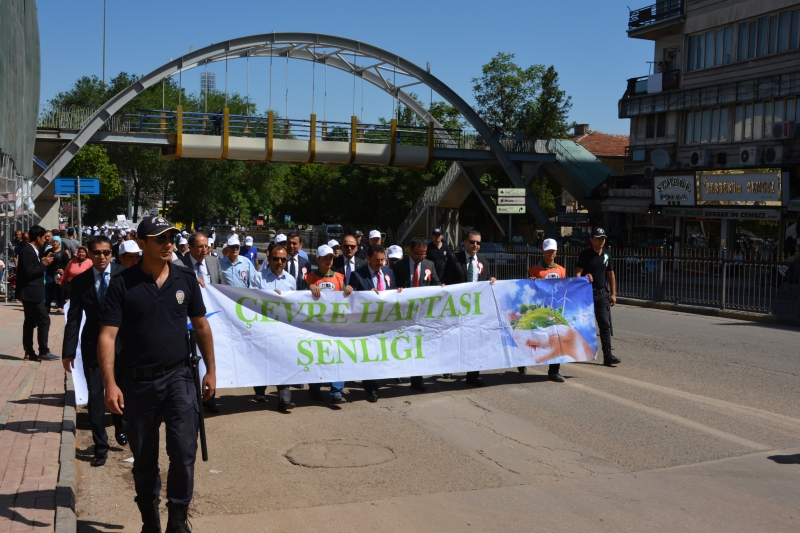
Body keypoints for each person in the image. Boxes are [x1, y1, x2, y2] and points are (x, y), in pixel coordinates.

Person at [97, 215, 216, 533]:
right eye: (161, 238)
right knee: (144, 458)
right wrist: (110, 384)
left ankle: (177, 521)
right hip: (136, 383)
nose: (169, 243)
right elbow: (107, 336)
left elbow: (202, 326)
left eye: (172, 238)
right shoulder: (123, 283)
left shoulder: (185, 279)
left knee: (183, 450)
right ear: (142, 242)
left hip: (179, 378)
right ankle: (150, 521)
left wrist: (211, 371)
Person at [62, 236, 127, 467]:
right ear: (89, 254)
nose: (102, 257)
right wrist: (68, 351)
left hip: (123, 346)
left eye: (106, 252)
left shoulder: (125, 275)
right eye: (97, 252)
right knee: (95, 396)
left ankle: (121, 426)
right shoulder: (80, 282)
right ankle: (101, 446)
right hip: (93, 345)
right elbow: (74, 318)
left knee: (123, 390)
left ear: (112, 254)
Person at [348, 244, 401, 402]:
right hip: (367, 324)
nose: (380, 263)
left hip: (386, 322)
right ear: (368, 258)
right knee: (369, 355)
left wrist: (398, 291)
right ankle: (370, 388)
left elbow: (392, 289)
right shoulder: (357, 275)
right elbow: (352, 300)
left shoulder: (388, 272)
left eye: (383, 260)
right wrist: (365, 295)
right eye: (377, 260)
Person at [442, 230, 496, 386]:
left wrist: (492, 280)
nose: (475, 245)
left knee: (475, 343)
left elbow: (487, 281)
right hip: (458, 308)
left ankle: (472, 376)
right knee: (455, 339)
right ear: (465, 242)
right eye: (472, 242)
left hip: (476, 310)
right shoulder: (454, 259)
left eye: (478, 243)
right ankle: (449, 367)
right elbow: (446, 281)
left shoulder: (484, 262)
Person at [303, 244, 353, 404]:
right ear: (317, 259)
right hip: (316, 326)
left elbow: (346, 297)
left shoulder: (339, 277)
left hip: (336, 325)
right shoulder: (309, 278)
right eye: (325, 258)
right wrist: (308, 287)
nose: (328, 260)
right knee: (317, 357)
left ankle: (337, 391)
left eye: (331, 257)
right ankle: (315, 389)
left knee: (338, 356)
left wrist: (349, 290)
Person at [392, 237, 443, 392]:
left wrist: (441, 287)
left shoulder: (429, 264)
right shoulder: (399, 266)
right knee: (402, 344)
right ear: (410, 251)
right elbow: (392, 286)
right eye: (417, 254)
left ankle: (417, 380)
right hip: (403, 312)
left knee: (419, 346)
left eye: (423, 255)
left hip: (421, 314)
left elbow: (435, 283)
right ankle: (398, 372)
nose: (420, 258)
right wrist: (397, 290)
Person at [181, 232, 223, 414]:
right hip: (188, 321)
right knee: (190, 359)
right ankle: (189, 398)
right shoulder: (178, 265)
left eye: (206, 246)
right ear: (190, 247)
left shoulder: (214, 262)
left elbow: (221, 286)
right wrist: (191, 279)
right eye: (199, 246)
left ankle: (209, 397)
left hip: (211, 319)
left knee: (208, 357)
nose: (204, 249)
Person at [253, 244, 298, 408]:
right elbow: (251, 301)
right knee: (263, 360)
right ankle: (259, 389)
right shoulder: (258, 278)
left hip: (283, 328)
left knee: (283, 360)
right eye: (276, 259)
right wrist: (270, 297)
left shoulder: (291, 280)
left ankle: (284, 398)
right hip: (263, 327)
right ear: (269, 259)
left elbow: (296, 304)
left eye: (283, 259)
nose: (279, 262)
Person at [575, 227, 620, 367]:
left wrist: (613, 294)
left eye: (603, 238)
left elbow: (611, 274)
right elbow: (577, 274)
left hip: (602, 295)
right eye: (598, 238)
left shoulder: (607, 255)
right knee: (582, 325)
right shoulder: (585, 255)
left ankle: (608, 356)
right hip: (587, 296)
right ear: (592, 240)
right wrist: (584, 277)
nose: (601, 241)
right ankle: (575, 352)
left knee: (604, 325)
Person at [526, 238, 568, 382]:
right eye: (548, 250)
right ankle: (522, 362)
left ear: (556, 251)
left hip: (555, 312)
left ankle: (554, 371)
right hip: (539, 311)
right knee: (533, 338)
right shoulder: (534, 270)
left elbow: (565, 289)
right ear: (543, 250)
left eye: (553, 250)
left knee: (556, 340)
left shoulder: (562, 270)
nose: (551, 253)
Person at [16, 225, 59, 362]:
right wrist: (43, 264)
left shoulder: (34, 250)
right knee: (44, 320)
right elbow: (29, 272)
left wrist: (42, 262)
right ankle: (43, 351)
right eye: (44, 238)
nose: (46, 240)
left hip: (32, 292)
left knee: (30, 323)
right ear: (38, 238)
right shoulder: (28, 251)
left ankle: (29, 352)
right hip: (30, 293)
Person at [45, 237, 70, 314]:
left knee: (60, 289)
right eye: (53, 242)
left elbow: (67, 263)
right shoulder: (49, 251)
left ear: (59, 243)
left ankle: (60, 306)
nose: (55, 243)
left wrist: (63, 270)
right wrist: (47, 257)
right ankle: (47, 306)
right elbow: (44, 261)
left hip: (60, 273)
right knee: (49, 288)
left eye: (56, 242)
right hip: (50, 272)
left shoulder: (63, 253)